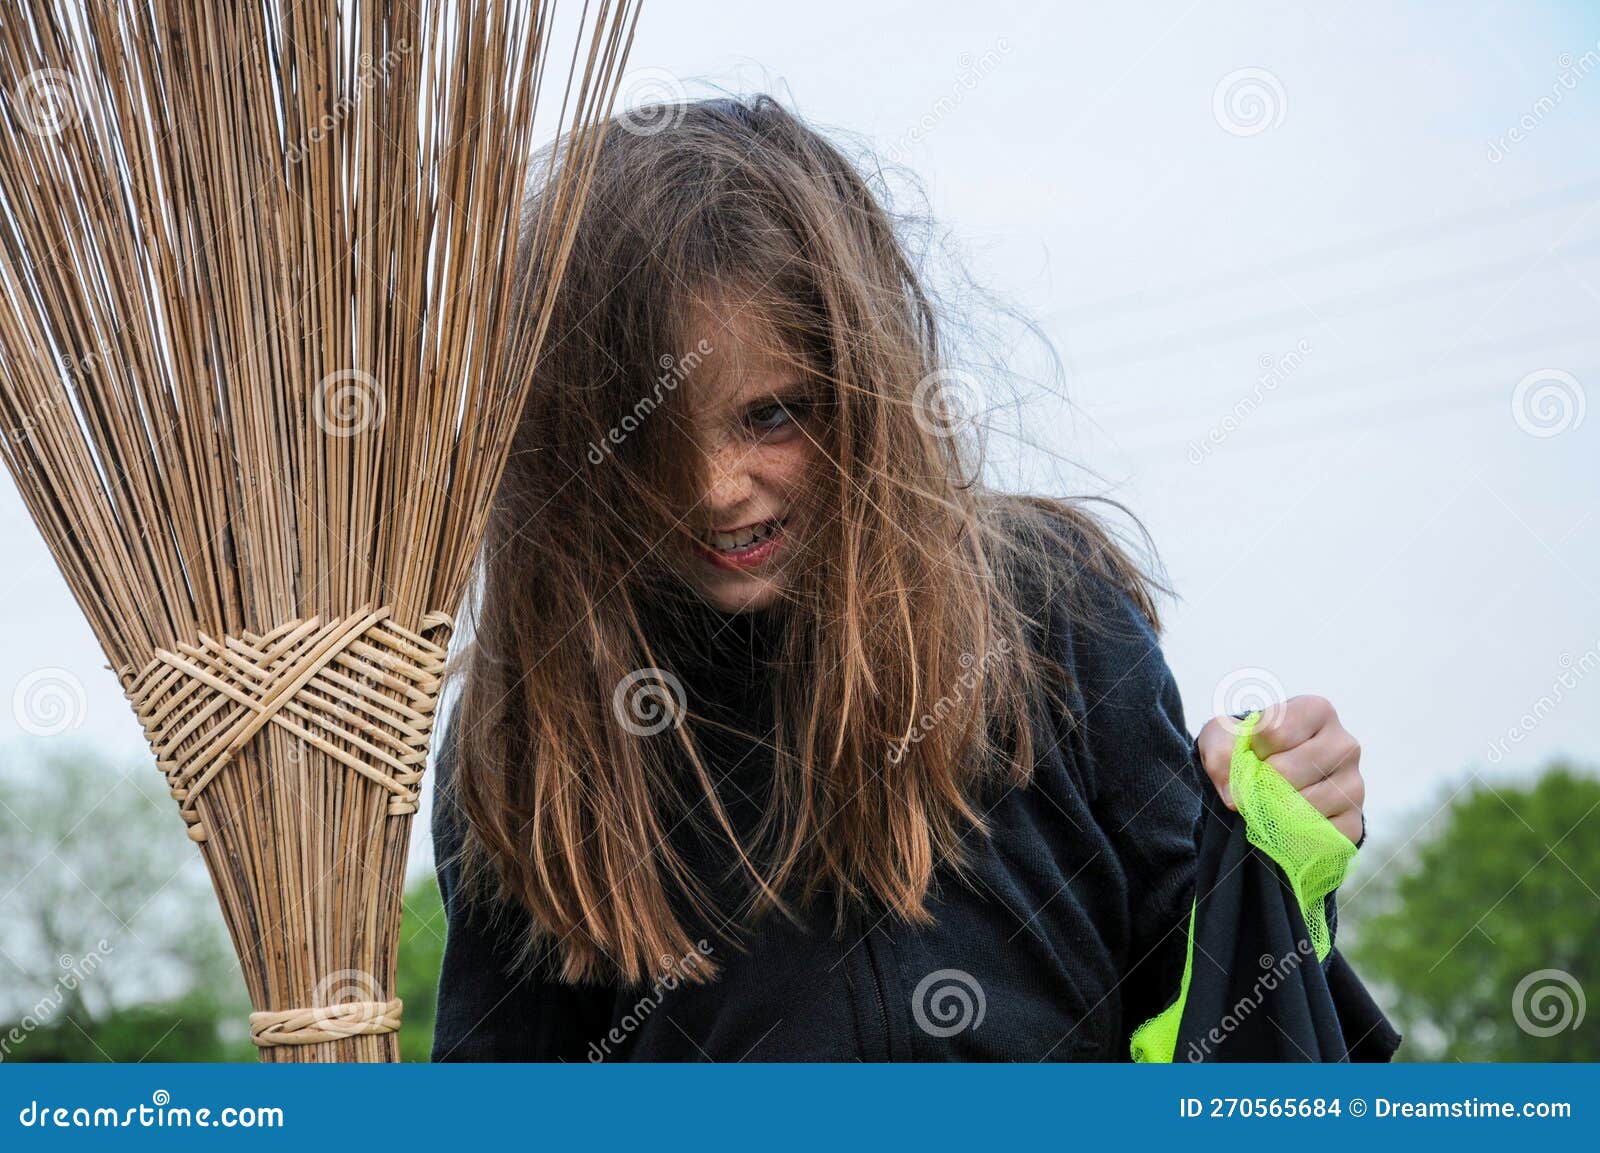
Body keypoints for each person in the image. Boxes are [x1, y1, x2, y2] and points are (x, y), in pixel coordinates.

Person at [429, 95, 1368, 1061]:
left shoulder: (1044, 606)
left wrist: (1272, 837)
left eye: (772, 416)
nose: (716, 491)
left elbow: (1211, 993)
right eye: (657, 439)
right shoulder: (531, 729)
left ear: (868, 388)